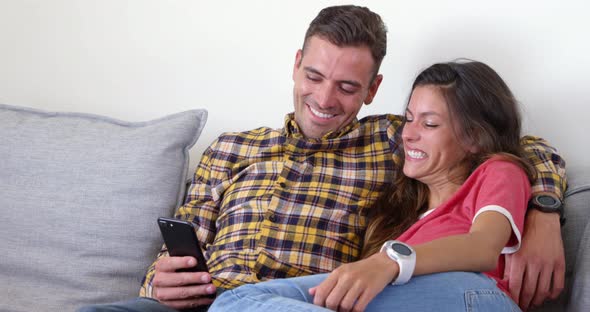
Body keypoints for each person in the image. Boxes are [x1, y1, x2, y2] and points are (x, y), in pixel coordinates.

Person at [79, 5, 566, 312]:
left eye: (347, 87)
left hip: (311, 296)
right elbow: (181, 245)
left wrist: (542, 215)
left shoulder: (397, 142)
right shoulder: (231, 148)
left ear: (373, 90)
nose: (325, 99)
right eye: (313, 76)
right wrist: (159, 283)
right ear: (296, 64)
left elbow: (513, 146)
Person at [207, 60, 543, 312]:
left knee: (236, 302)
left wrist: (386, 262)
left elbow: (482, 247)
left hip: (475, 296)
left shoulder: (498, 171)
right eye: (409, 119)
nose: (408, 134)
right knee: (241, 301)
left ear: (473, 137)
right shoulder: (410, 224)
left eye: (429, 123)